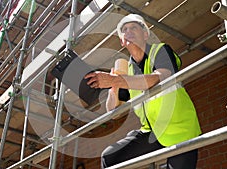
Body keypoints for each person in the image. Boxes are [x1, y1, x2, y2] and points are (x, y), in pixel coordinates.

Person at [84, 14, 201, 169]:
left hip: (179, 128)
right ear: (122, 41)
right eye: (124, 30)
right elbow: (113, 110)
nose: (128, 31)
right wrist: (114, 87)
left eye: (134, 27)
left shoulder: (160, 50)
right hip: (151, 132)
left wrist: (116, 80)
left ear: (145, 34)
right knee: (110, 156)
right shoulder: (128, 70)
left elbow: (160, 78)